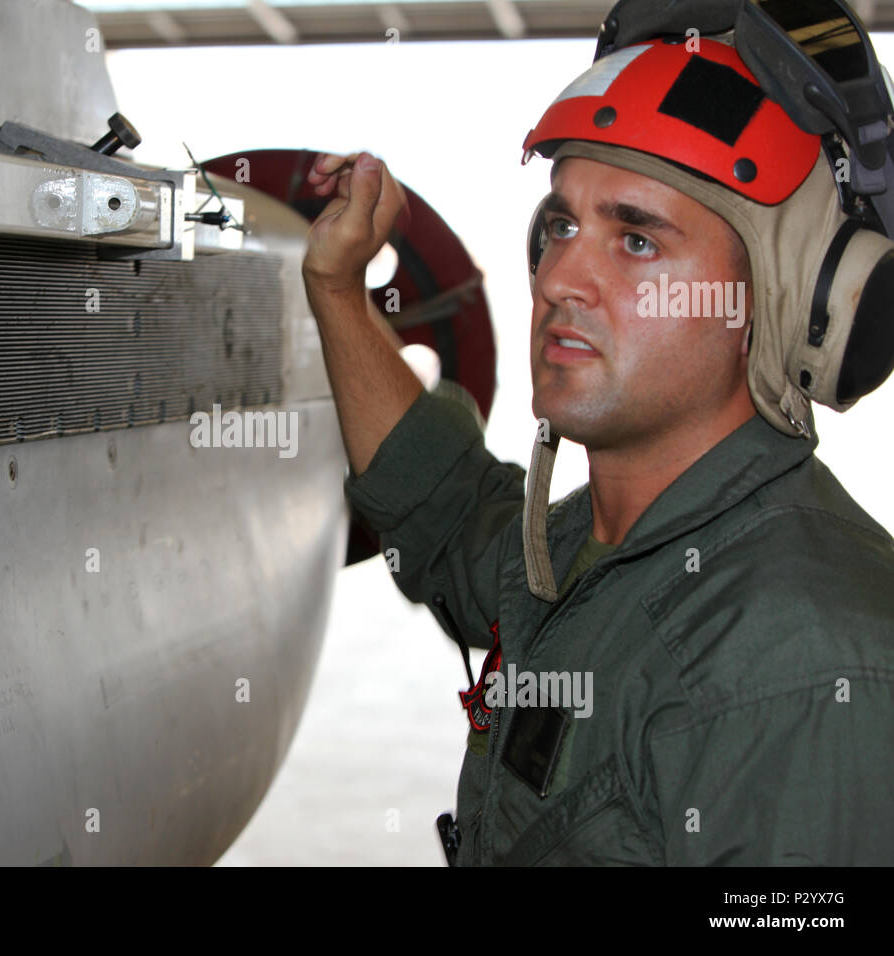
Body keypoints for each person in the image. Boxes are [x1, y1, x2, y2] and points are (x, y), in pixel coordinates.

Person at [301, 3, 894, 865]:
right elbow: (452, 519)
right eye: (560, 226)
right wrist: (339, 292)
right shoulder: (589, 544)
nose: (559, 278)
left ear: (781, 300)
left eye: (639, 240)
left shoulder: (800, 667)